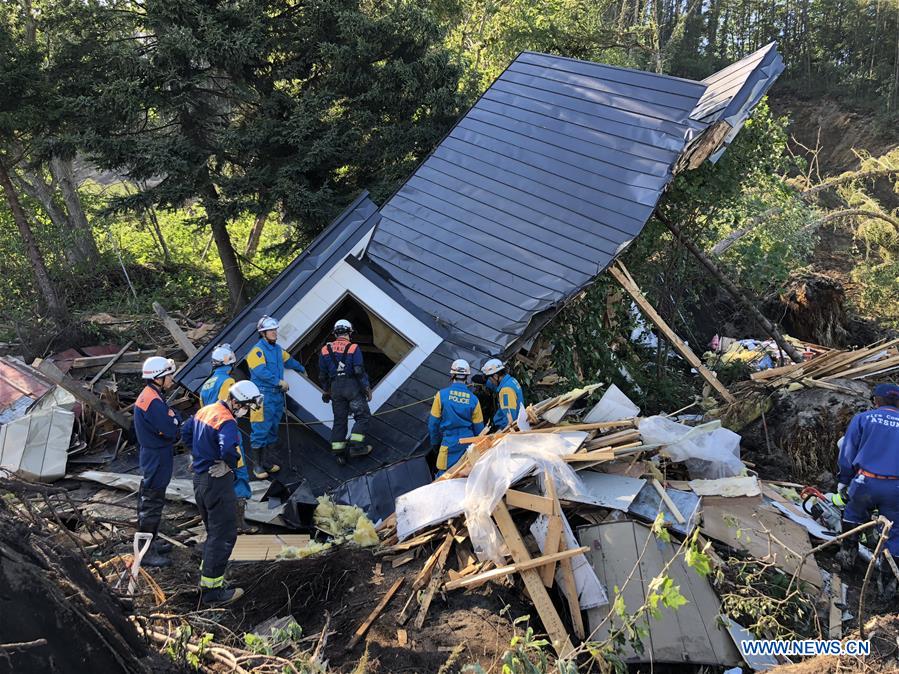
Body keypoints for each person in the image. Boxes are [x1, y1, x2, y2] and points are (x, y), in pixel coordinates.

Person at [180, 380, 263, 606]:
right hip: (217, 481)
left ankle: (208, 572)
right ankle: (213, 591)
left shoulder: (206, 410)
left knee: (213, 530)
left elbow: (185, 431)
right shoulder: (227, 421)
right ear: (236, 402)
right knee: (224, 534)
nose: (245, 412)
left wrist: (196, 457)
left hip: (200, 480)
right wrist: (231, 465)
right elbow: (228, 449)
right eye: (245, 407)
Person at [836, 382, 899, 596]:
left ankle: (847, 566)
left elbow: (848, 450)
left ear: (876, 401)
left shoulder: (863, 418)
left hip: (865, 482)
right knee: (894, 533)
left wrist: (844, 479)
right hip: (896, 487)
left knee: (853, 517)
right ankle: (887, 589)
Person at [199, 344, 255, 533]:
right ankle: (239, 523)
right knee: (239, 474)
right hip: (227, 432)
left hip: (209, 435)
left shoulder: (205, 385)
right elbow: (228, 409)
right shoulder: (228, 382)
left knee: (217, 477)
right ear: (230, 363)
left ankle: (220, 522)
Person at [133, 356, 181, 568]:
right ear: (158, 377)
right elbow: (171, 427)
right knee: (152, 500)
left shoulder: (152, 395)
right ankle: (145, 551)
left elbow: (172, 417)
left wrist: (174, 418)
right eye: (169, 374)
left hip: (154, 452)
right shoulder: (152, 400)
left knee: (152, 497)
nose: (171, 378)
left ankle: (149, 541)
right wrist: (175, 421)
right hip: (157, 455)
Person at [247, 316, 305, 479]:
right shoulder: (256, 351)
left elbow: (289, 361)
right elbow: (260, 371)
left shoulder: (278, 350)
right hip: (261, 397)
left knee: (272, 430)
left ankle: (266, 462)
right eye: (271, 330)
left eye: (275, 330)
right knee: (260, 430)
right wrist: (278, 381)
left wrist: (302, 369)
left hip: (276, 397)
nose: (275, 333)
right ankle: (257, 466)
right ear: (263, 333)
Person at [319, 319, 372, 464]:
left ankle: (339, 454)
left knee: (339, 421)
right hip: (351, 386)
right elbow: (359, 371)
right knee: (363, 416)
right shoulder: (353, 348)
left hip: (335, 388)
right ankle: (356, 447)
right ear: (349, 332)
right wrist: (366, 388)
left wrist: (326, 391)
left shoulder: (324, 350)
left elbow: (323, 375)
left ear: (335, 333)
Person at [428, 359, 484, 475]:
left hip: (448, 446)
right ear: (467, 376)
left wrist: (436, 444)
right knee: (465, 477)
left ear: (452, 374)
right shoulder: (474, 400)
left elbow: (433, 425)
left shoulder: (441, 395)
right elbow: (480, 430)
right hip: (467, 446)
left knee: (444, 479)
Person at [481, 358, 525, 430]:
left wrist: (502, 431)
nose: (491, 382)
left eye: (490, 379)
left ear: (495, 376)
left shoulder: (506, 391)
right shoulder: (511, 381)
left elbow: (509, 418)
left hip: (508, 429)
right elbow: (495, 386)